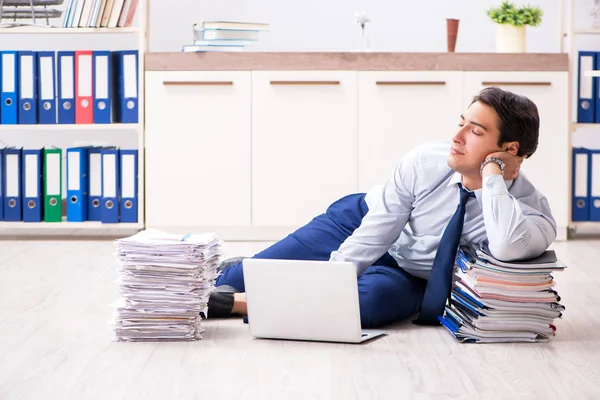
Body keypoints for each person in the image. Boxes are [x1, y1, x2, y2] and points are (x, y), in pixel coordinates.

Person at [206, 86, 557, 328]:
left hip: (412, 273)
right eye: (460, 122)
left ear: (510, 149)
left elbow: (508, 245)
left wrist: (492, 175)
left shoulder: (532, 213)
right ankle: (241, 270)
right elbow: (374, 235)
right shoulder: (425, 160)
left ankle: (242, 302)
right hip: (361, 222)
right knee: (240, 278)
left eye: (475, 131)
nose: (457, 137)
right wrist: (331, 281)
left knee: (371, 304)